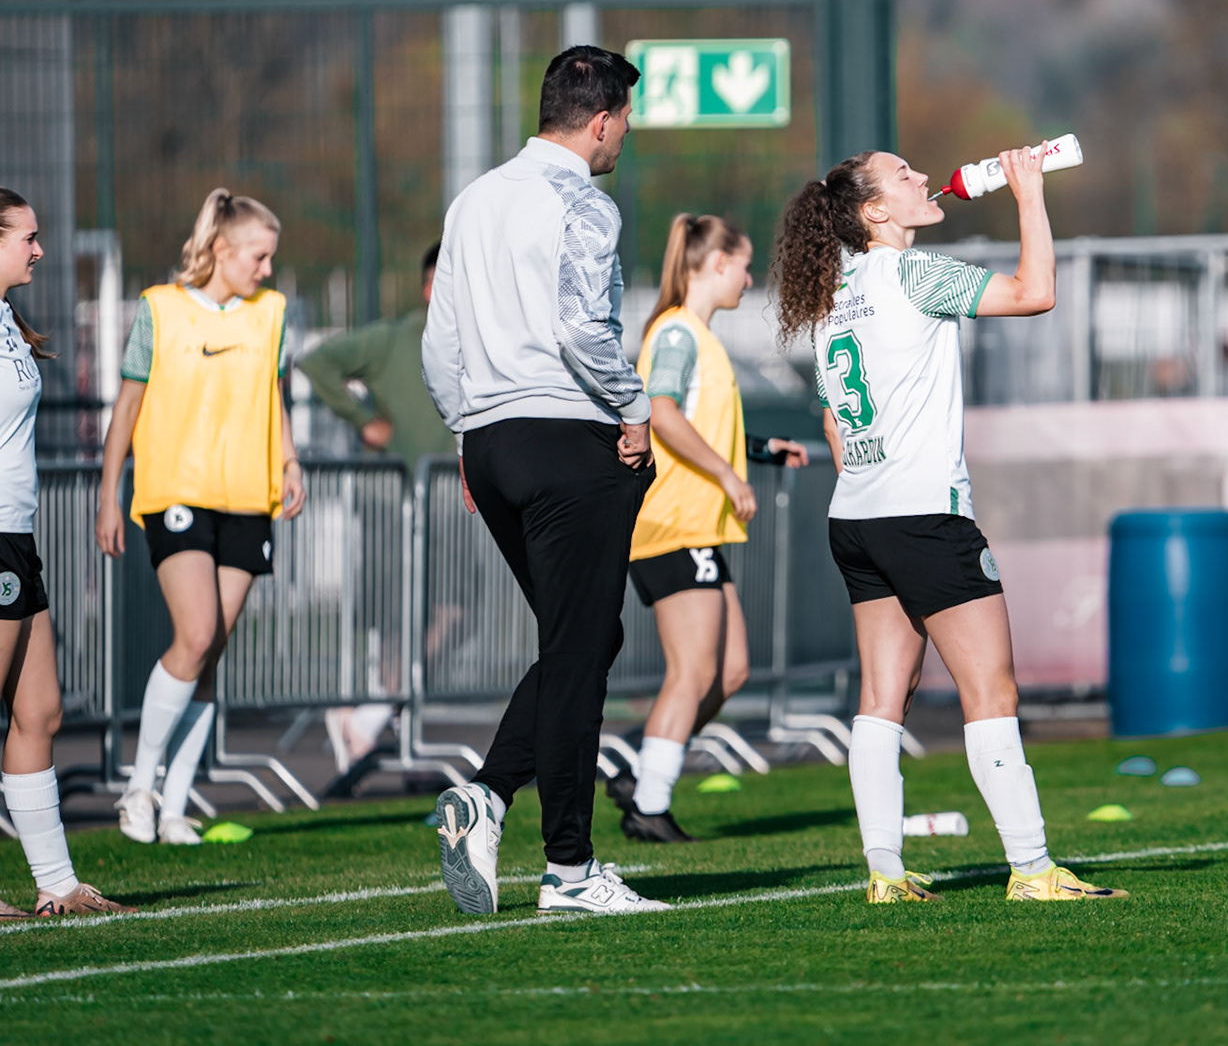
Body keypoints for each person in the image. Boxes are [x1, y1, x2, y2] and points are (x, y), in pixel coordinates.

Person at [772, 147, 1128, 904]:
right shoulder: (912, 272)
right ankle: (1032, 870)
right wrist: (1029, 192)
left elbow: (837, 424)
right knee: (990, 692)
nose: (924, 180)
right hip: (923, 513)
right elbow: (1035, 293)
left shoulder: (833, 289)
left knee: (880, 697)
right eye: (903, 177)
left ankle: (885, 873)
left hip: (859, 515)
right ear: (873, 212)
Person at [422, 45, 666, 917]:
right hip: (569, 435)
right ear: (599, 119)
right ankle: (567, 868)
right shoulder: (582, 201)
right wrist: (634, 407)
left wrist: (466, 432)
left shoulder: (475, 198)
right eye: (625, 121)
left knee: (582, 641)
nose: (624, 137)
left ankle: (486, 797)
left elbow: (439, 343)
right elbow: (579, 329)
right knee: (579, 650)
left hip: (492, 444)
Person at [97, 188, 308, 847]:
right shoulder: (160, 310)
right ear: (222, 249)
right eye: (259, 255)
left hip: (247, 497)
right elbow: (127, 408)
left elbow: (273, 398)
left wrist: (290, 463)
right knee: (195, 636)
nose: (267, 270)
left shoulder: (268, 314)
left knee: (211, 652)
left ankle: (174, 806)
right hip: (176, 493)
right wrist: (108, 493)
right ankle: (139, 787)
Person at [606, 214, 808, 843]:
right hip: (673, 522)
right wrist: (727, 474)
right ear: (716, 264)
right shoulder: (675, 333)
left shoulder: (697, 334)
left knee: (731, 672)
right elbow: (660, 413)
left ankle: (642, 763)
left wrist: (754, 449)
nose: (750, 278)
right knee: (692, 673)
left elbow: (690, 421)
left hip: (700, 526)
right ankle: (649, 804)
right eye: (744, 265)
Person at [0, 190, 132, 915]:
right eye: (28, 237)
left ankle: (57, 883)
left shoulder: (8, 322)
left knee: (40, 711)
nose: (39, 250)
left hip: (16, 538)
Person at [298, 241, 456, 771]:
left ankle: (369, 717)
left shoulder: (476, 342)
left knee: (455, 611)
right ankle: (374, 724)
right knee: (398, 619)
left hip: (449, 510)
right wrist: (363, 418)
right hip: (394, 506)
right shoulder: (394, 339)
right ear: (430, 286)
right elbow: (318, 361)